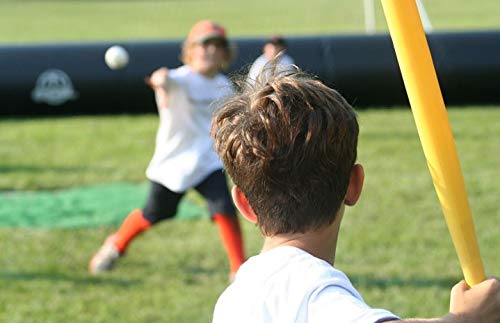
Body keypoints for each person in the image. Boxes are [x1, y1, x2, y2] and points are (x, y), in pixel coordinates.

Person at [210, 68, 500, 322]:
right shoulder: (309, 286)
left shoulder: (236, 296)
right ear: (355, 185)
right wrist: (464, 319)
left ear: (244, 204)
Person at [89, 20, 245, 279]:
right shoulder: (180, 78)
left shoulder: (224, 87)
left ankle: (238, 269)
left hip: (207, 160)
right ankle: (115, 245)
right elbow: (164, 79)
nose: (209, 51)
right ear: (191, 50)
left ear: (224, 54)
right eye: (203, 45)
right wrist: (161, 82)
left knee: (224, 207)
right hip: (175, 162)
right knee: (154, 213)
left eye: (216, 47)